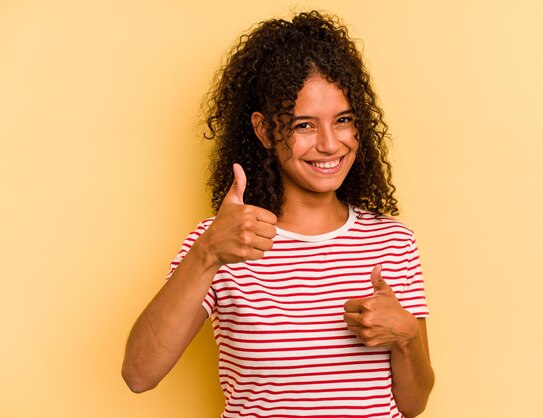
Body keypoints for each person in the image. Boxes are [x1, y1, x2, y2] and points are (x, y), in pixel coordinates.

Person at [122, 10, 434, 417]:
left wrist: (407, 337)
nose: (330, 144)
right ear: (266, 131)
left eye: (343, 120)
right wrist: (208, 254)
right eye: (304, 125)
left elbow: (415, 405)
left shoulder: (392, 241)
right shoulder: (224, 241)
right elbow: (138, 374)